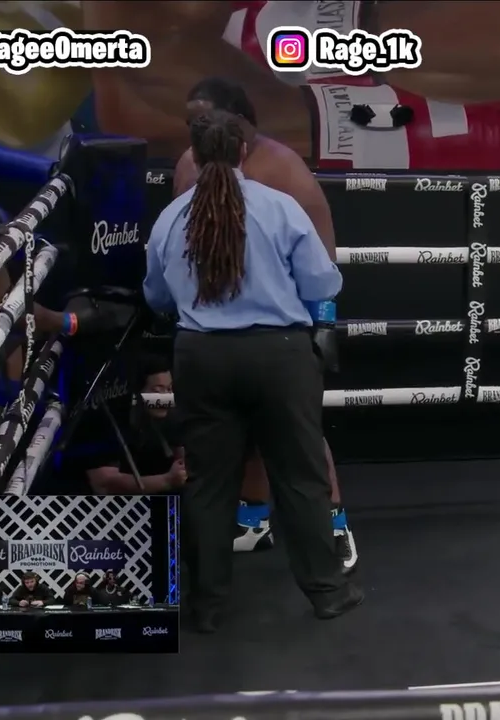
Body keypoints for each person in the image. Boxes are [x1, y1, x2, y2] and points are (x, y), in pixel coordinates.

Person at [144, 109, 361, 632]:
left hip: (203, 355)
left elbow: (157, 296)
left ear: (194, 156)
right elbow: (322, 283)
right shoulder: (279, 207)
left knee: (209, 483)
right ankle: (328, 593)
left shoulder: (171, 218)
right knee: (301, 477)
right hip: (278, 354)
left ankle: (207, 606)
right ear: (243, 150)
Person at [82, 354, 188, 495]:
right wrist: (166, 481)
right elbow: (104, 483)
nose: (165, 398)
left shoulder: (169, 420)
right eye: (157, 390)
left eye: (169, 389)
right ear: (137, 393)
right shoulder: (112, 421)